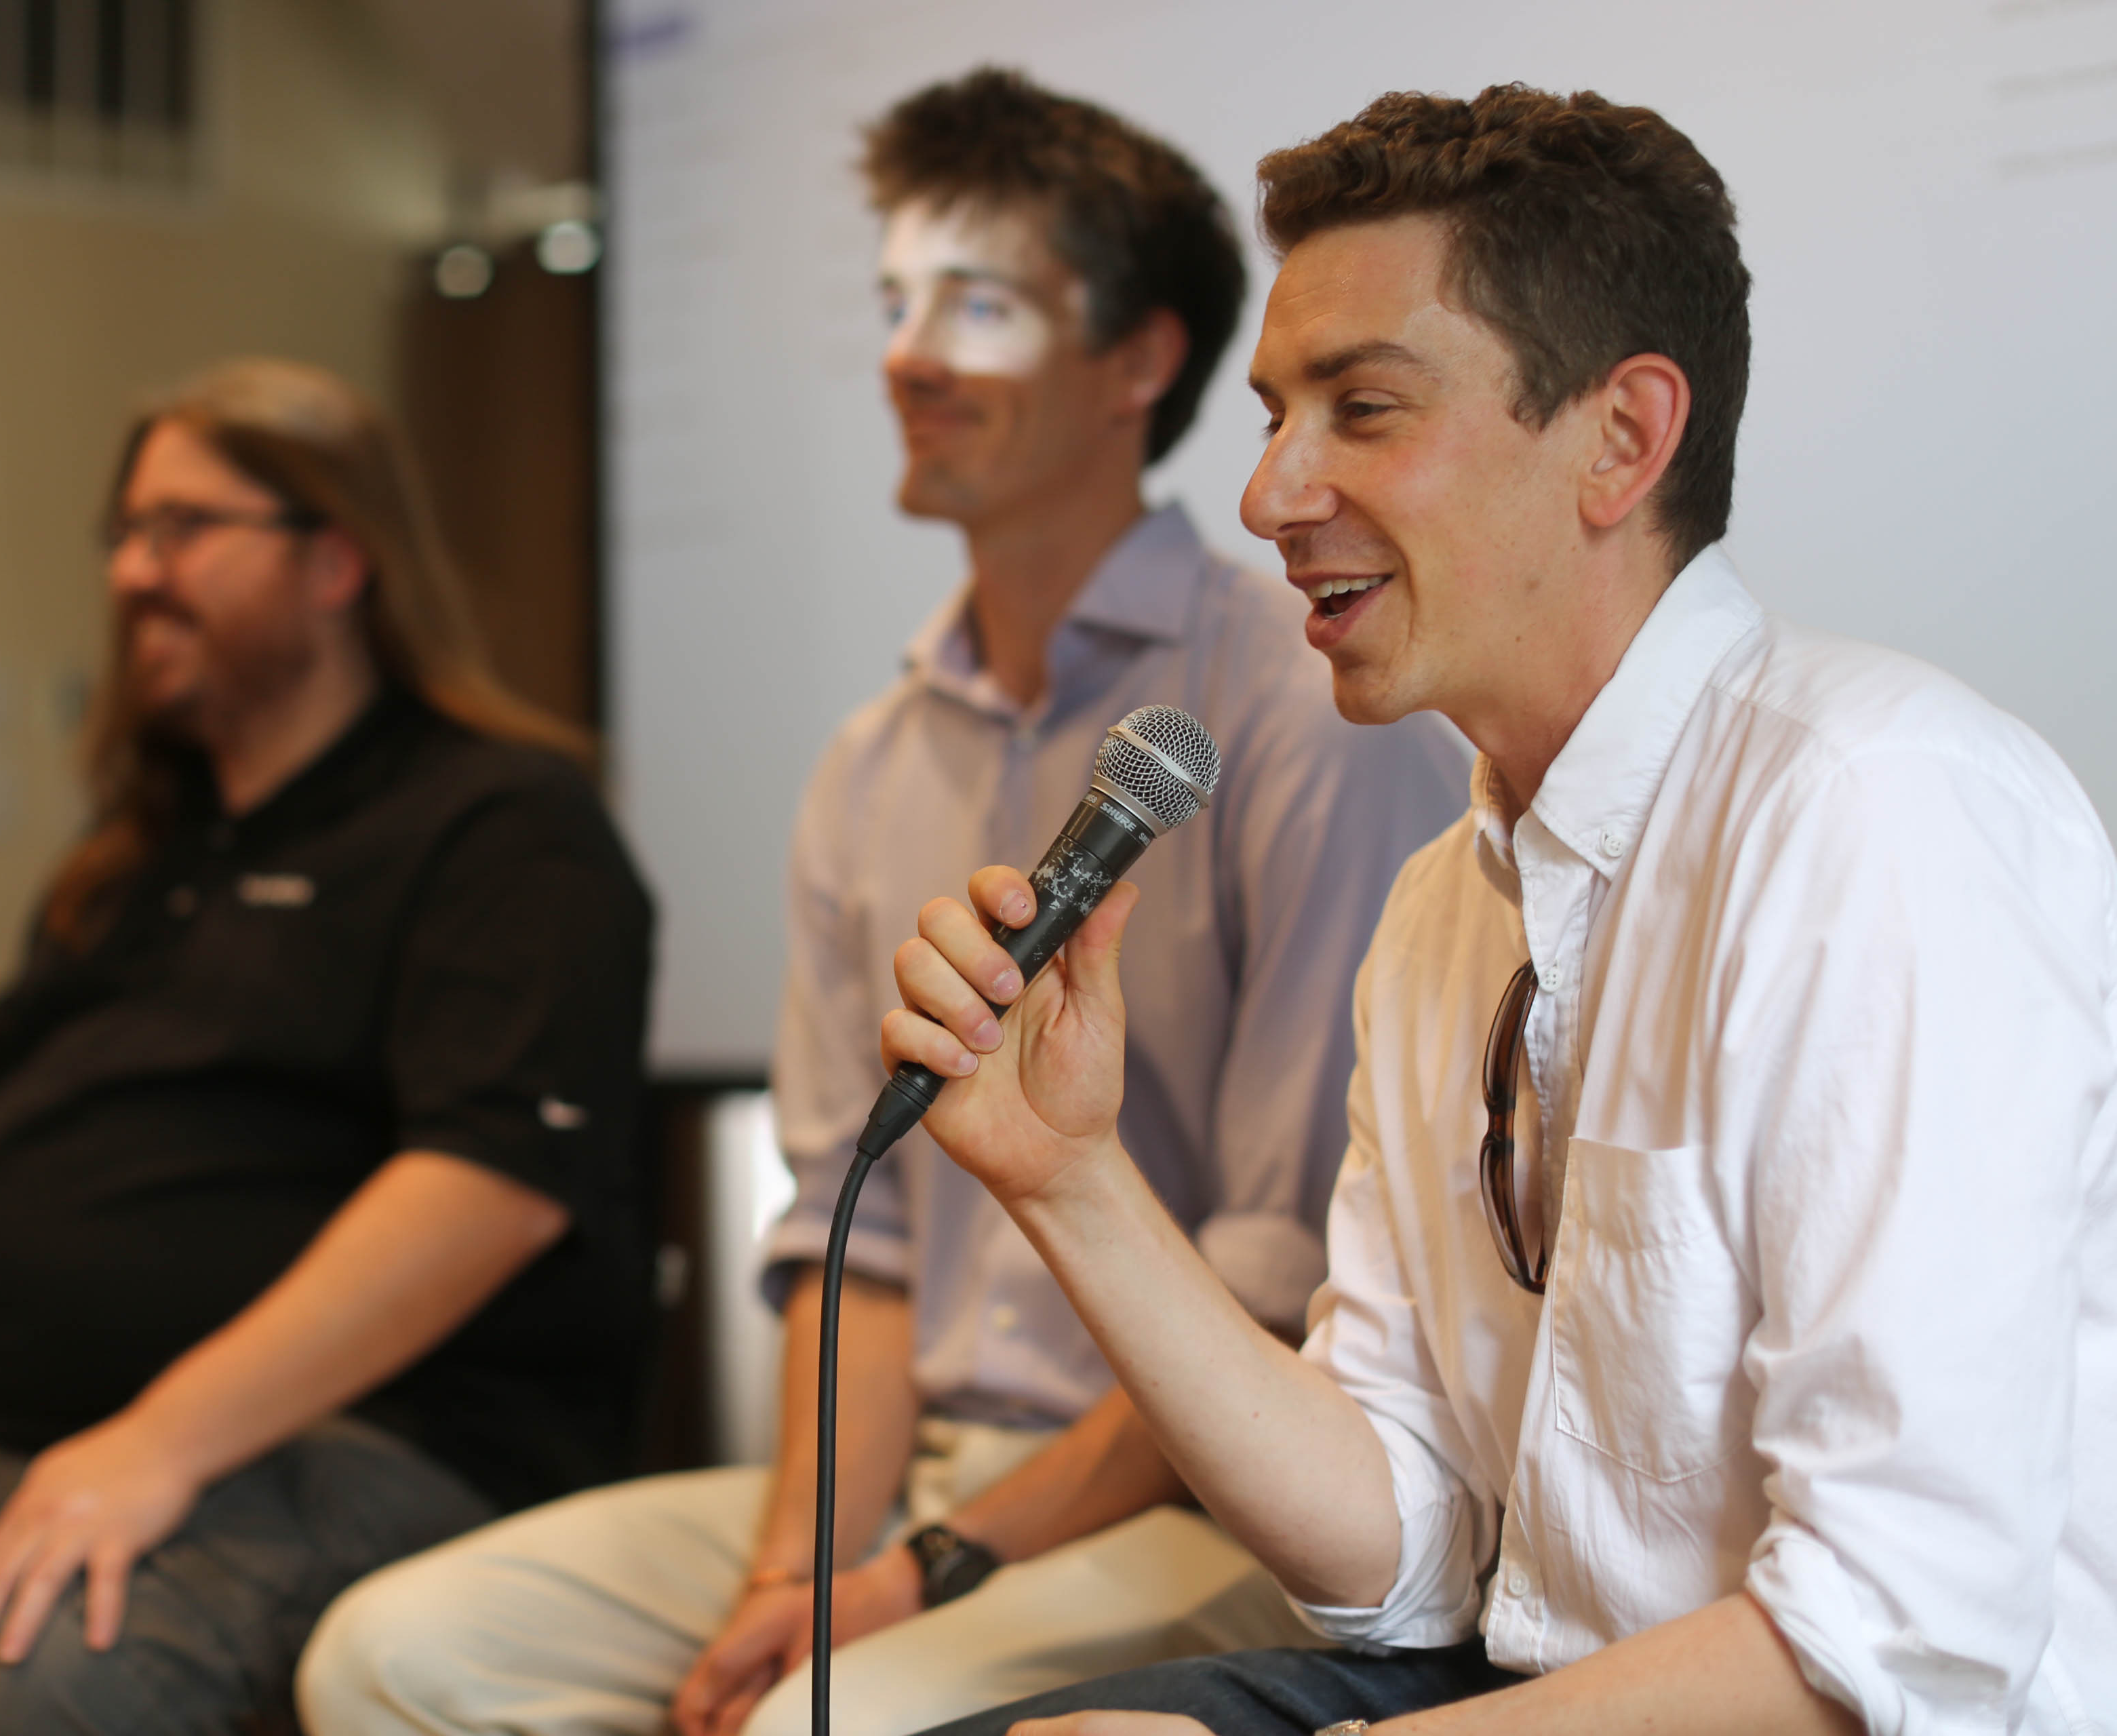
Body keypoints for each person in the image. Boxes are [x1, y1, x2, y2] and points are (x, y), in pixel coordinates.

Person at [876, 85, 2114, 1735]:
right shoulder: (1443, 906)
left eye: (1363, 410)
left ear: (1622, 438)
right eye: (1270, 418)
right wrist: (1071, 1179)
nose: (1270, 496)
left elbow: (1899, 1633)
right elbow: (1403, 1546)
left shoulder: (1880, 808)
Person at [297, 70, 1465, 1736]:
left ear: (1138, 360)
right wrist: (795, 1570)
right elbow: (864, 1240)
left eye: (979, 305)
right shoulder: (870, 756)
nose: (909, 357)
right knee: (401, 1656)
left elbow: (1281, 1294)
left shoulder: (1295, 701)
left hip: (1199, 1492)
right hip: (917, 1474)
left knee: (815, 1716)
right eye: (898, 303)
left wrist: (921, 1571)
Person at [0, 358, 658, 1735]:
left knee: (62, 1659)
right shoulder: (139, 854)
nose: (137, 570)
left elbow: (489, 1186)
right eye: (129, 533)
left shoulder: (504, 825)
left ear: (338, 561)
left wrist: (162, 1438)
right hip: (25, 1417)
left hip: (367, 1437)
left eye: (187, 528)